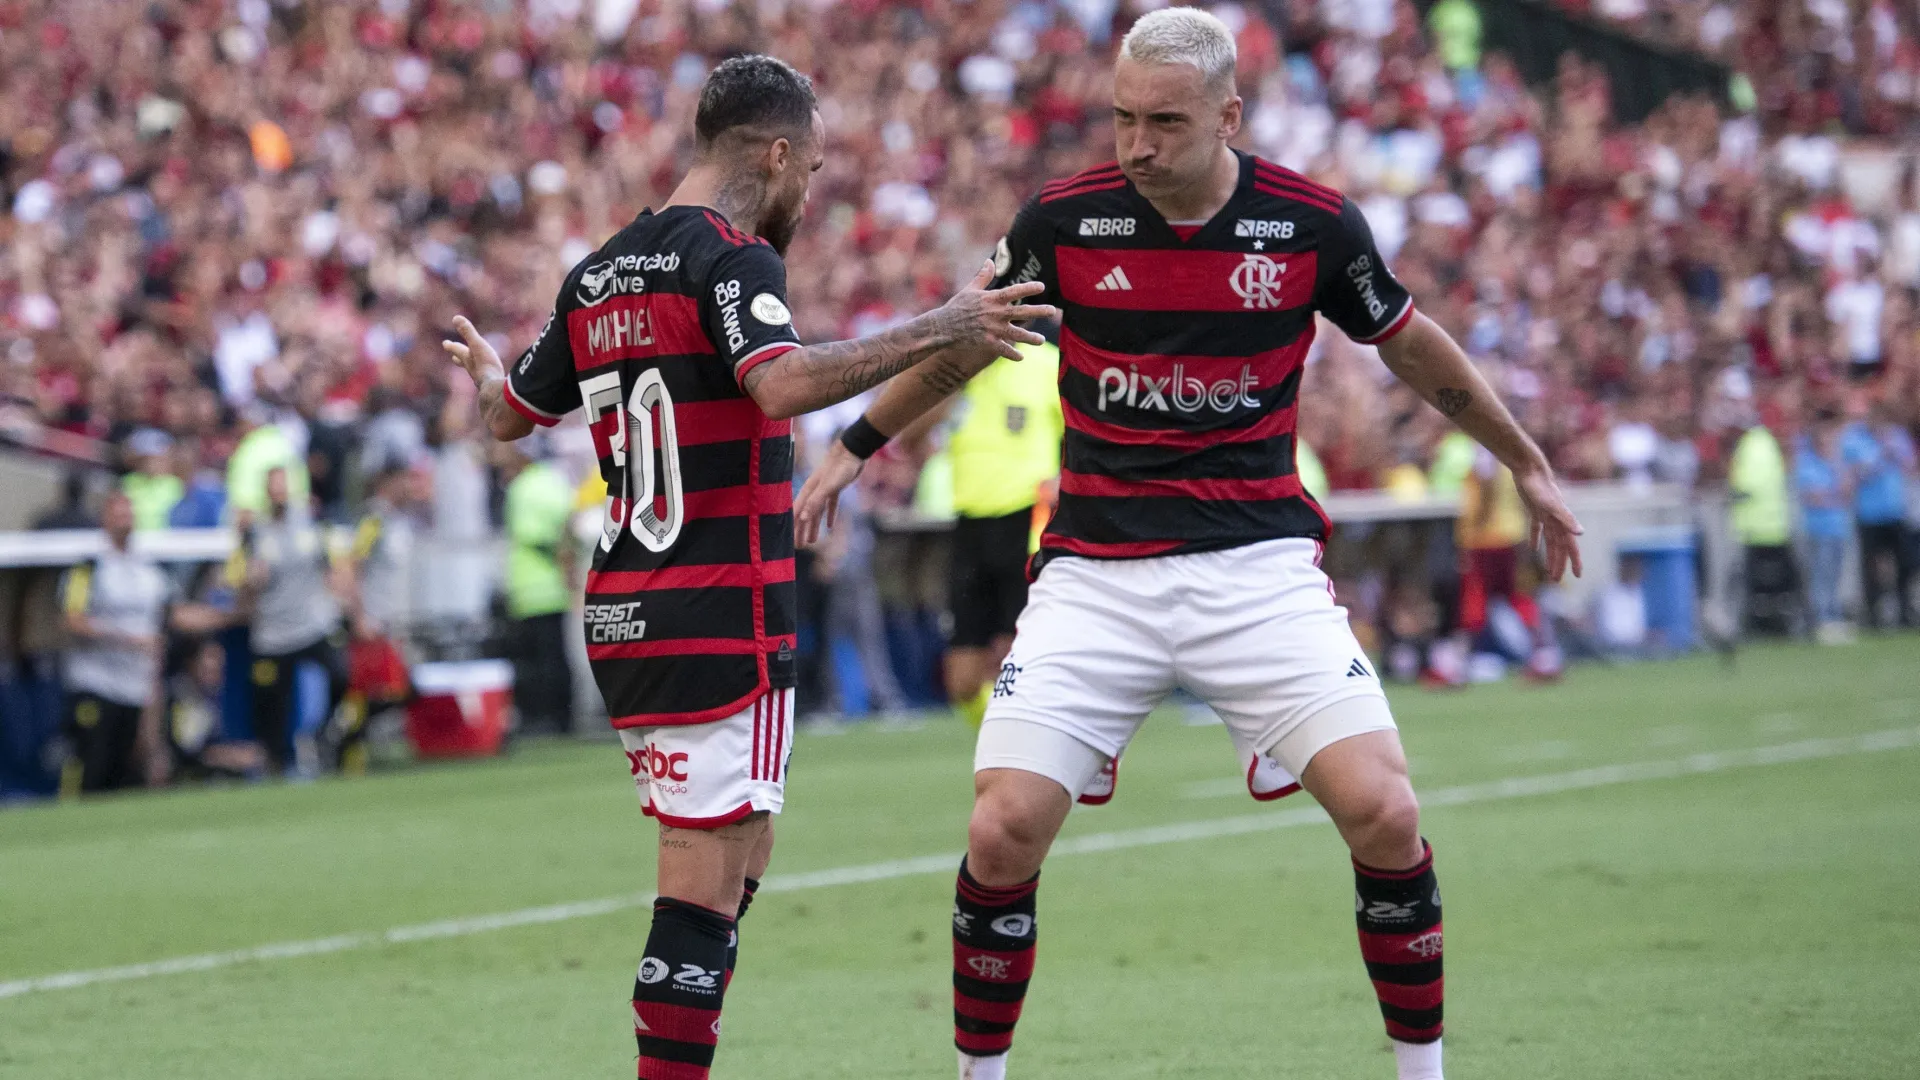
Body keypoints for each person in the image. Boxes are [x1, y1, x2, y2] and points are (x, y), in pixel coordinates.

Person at [795, 12, 1582, 1080]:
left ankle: (1423, 1073)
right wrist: (856, 442)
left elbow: (1411, 345)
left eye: (1164, 122)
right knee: (1001, 830)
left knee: (1387, 813)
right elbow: (969, 342)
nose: (1136, 144)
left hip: (1258, 576)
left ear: (1229, 116)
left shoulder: (1309, 226)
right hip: (1094, 580)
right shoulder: (1063, 222)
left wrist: (1526, 460)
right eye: (1122, 118)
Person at [440, 54, 1056, 1080]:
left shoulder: (596, 272)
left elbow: (512, 417)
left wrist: (491, 380)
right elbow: (782, 384)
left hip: (625, 613)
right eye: (810, 170)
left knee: (736, 860)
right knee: (695, 889)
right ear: (775, 155)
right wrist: (940, 327)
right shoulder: (729, 260)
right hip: (720, 611)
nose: (809, 194)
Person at [903, 340, 1064, 725]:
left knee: (1016, 658)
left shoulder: (1046, 364)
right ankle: (1004, 743)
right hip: (970, 525)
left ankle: (1022, 753)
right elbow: (907, 437)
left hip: (1026, 521)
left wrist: (1067, 477)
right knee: (961, 680)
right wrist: (953, 383)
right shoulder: (960, 370)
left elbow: (1084, 426)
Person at [231, 466, 351, 775]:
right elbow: (235, 583)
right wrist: (250, 581)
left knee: (341, 675)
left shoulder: (313, 524)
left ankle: (325, 733)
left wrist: (342, 598)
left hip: (313, 623)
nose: (279, 492)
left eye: (283, 485)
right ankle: (278, 762)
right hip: (272, 632)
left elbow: (335, 567)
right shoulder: (253, 533)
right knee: (271, 703)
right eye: (273, 486)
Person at [57, 491, 169, 794]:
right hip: (97, 681)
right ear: (104, 518)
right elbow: (72, 619)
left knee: (123, 773)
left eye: (129, 513)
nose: (125, 520)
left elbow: (163, 621)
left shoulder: (148, 568)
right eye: (118, 513)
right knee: (92, 765)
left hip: (135, 686)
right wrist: (125, 638)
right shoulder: (88, 565)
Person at [498, 438, 579, 733]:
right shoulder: (557, 482)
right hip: (555, 587)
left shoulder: (521, 488)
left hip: (529, 588)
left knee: (536, 662)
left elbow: (530, 536)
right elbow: (569, 528)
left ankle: (542, 719)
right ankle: (564, 719)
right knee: (558, 657)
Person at [1841, 400, 1915, 629]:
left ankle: (1905, 609)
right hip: (1869, 513)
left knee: (1905, 562)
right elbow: (1856, 473)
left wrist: (1895, 453)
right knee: (1871, 565)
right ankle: (1873, 614)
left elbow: (1910, 465)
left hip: (1895, 511)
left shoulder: (1898, 436)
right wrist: (1880, 455)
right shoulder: (1855, 439)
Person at [1794, 411, 1853, 642]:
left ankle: (1833, 616)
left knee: (1835, 575)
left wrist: (1836, 468)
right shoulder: (1807, 463)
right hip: (1819, 530)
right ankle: (1821, 619)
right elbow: (1813, 497)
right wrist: (1834, 494)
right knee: (1821, 575)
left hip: (1838, 528)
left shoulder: (1836, 463)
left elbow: (1847, 491)